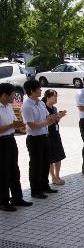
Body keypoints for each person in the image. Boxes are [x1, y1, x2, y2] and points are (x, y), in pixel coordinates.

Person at [22, 80, 58, 198]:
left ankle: (44, 186)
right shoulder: (27, 106)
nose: (41, 90)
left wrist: (54, 117)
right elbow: (31, 125)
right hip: (34, 139)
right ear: (32, 91)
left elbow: (46, 117)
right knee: (36, 165)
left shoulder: (41, 103)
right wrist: (46, 122)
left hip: (45, 136)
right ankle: (35, 190)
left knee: (46, 163)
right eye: (39, 88)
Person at [0, 83, 32, 211]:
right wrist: (12, 125)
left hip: (10, 140)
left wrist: (18, 125)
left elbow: (12, 123)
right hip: (1, 143)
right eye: (13, 94)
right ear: (4, 95)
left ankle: (17, 198)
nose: (15, 96)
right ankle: (3, 202)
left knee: (14, 170)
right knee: (3, 173)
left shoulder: (8, 106)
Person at [42, 89, 67, 185]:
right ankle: (53, 177)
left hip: (56, 134)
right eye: (54, 96)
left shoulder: (54, 108)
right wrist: (55, 118)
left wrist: (59, 117)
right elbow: (46, 124)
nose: (56, 98)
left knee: (59, 156)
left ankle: (57, 176)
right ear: (48, 97)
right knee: (50, 158)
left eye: (56, 96)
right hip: (48, 135)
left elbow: (56, 122)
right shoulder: (44, 108)